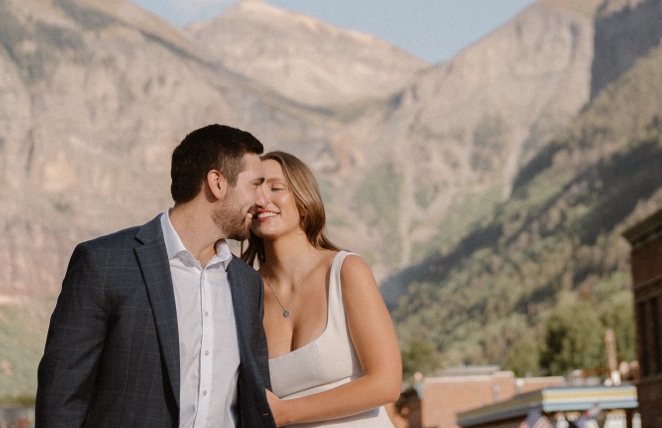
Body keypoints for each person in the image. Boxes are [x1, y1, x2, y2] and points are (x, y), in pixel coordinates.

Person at [36, 124, 278, 428]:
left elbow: (253, 403)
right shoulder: (104, 264)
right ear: (217, 182)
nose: (261, 200)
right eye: (254, 184)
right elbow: (61, 399)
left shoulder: (247, 284)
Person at [244, 150, 402, 427]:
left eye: (275, 188)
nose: (261, 199)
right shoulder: (245, 294)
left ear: (303, 202)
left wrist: (287, 413)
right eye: (253, 189)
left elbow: (386, 384)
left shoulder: (346, 271)